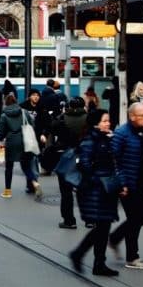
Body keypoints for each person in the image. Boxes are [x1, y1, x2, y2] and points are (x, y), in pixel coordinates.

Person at [69, 109, 120, 277]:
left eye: (108, 120)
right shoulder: (90, 140)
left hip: (105, 189)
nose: (108, 123)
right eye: (105, 121)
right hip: (95, 190)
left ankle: (97, 262)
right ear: (96, 123)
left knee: (103, 227)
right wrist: (98, 180)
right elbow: (84, 163)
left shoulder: (105, 139)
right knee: (102, 226)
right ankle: (83, 256)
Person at [108, 102, 143, 270]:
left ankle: (115, 238)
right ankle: (132, 257)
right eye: (142, 115)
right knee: (135, 219)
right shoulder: (122, 134)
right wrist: (122, 183)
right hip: (129, 184)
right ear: (132, 116)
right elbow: (113, 160)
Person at [49, 97, 88, 229]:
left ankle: (69, 220)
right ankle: (90, 220)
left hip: (65, 157)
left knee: (66, 191)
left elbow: (53, 130)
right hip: (84, 157)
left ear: (69, 106)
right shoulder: (89, 119)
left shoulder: (62, 118)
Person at [0, 92, 42, 199]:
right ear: (16, 102)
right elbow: (32, 125)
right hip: (25, 141)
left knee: (9, 167)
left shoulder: (4, 115)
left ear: (6, 103)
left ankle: (7, 191)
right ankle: (35, 183)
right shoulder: (24, 112)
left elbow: (1, 132)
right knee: (26, 166)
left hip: (11, 142)